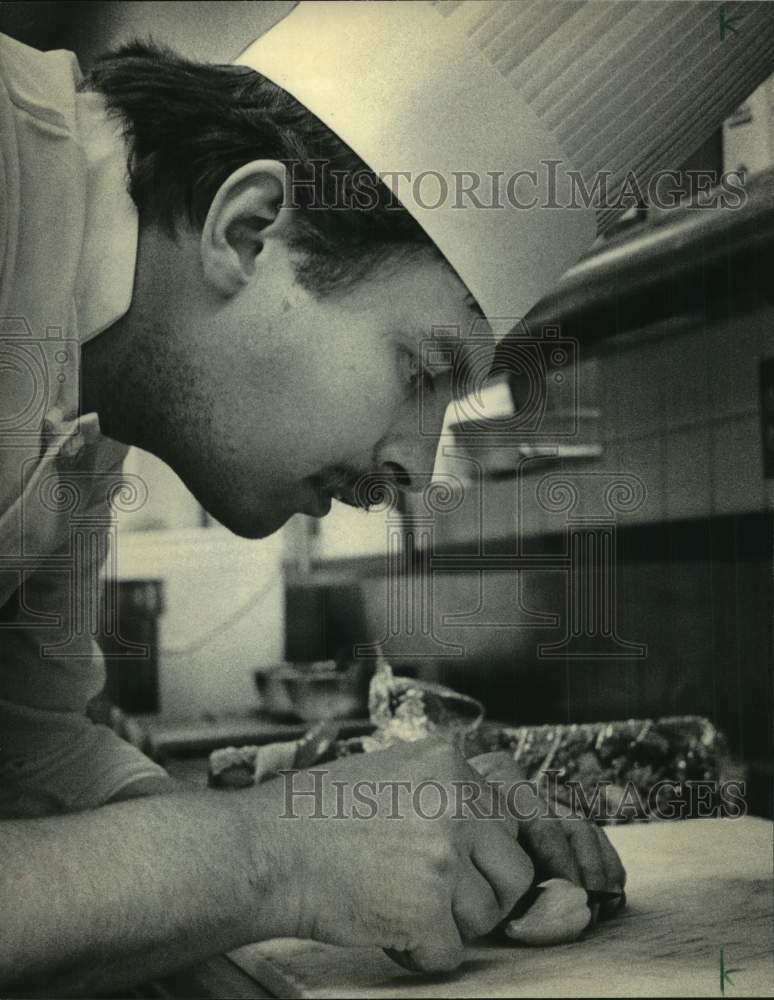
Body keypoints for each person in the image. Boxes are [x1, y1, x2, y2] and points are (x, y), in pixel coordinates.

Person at [1, 0, 773, 993]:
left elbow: (32, 755)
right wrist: (267, 856)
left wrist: (360, 829)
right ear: (249, 228)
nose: (414, 463)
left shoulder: (94, 391)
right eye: (420, 370)